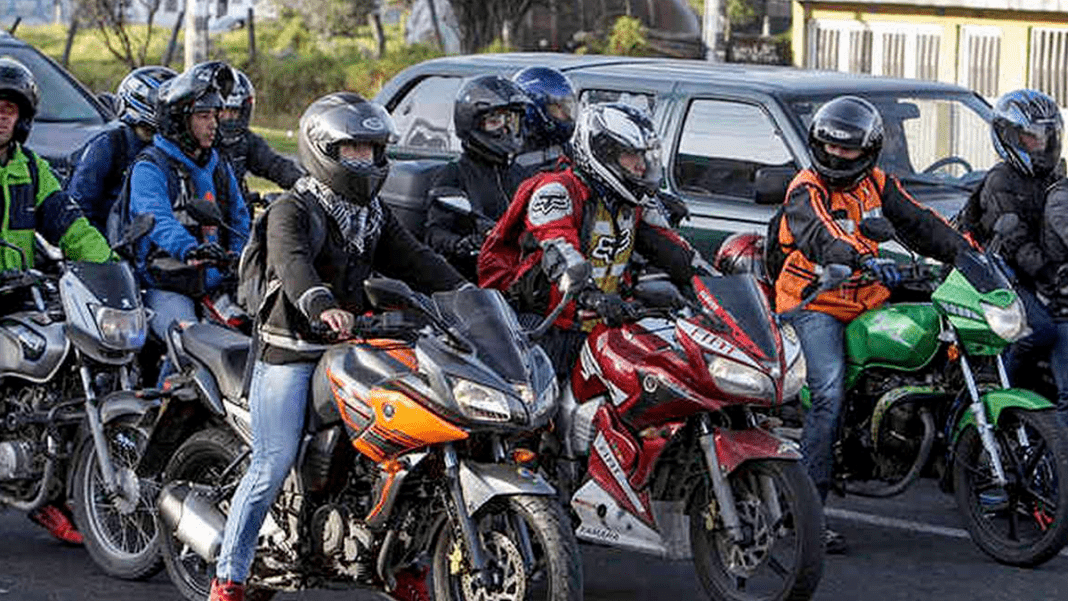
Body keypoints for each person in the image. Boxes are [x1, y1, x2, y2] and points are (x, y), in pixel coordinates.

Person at [210, 92, 465, 601]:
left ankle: (400, 563)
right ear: (323, 150)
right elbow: (293, 264)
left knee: (407, 447)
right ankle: (229, 576)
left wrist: (469, 294)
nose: (363, 161)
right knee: (273, 462)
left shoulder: (372, 214)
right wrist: (321, 303)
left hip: (350, 347)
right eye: (352, 150)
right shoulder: (291, 208)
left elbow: (416, 260)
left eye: (371, 150)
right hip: (291, 351)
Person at [771, 95, 972, 554]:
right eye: (831, 147)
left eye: (849, 149)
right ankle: (806, 517)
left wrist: (968, 252)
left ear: (869, 151)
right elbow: (820, 233)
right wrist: (859, 257)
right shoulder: (805, 188)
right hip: (814, 303)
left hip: (866, 300)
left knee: (933, 343)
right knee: (828, 393)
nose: (838, 156)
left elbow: (920, 223)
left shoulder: (878, 183)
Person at [479, 102, 711, 377]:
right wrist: (591, 295)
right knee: (544, 400)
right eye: (631, 155)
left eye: (644, 155)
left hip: (604, 325)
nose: (641, 166)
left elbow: (675, 252)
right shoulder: (556, 190)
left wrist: (717, 283)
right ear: (603, 154)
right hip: (546, 326)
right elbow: (558, 248)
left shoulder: (634, 201)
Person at [0, 57, 113, 544]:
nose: (1, 116)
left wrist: (108, 266)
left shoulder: (30, 167)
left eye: (9, 109)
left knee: (64, 375)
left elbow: (70, 225)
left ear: (22, 119)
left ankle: (48, 489)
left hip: (18, 291)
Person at [127, 61, 250, 381]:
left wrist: (241, 255)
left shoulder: (217, 164)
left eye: (215, 115)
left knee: (251, 338)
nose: (214, 125)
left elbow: (239, 217)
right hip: (164, 286)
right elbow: (157, 219)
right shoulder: (150, 167)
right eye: (203, 116)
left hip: (216, 285)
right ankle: (163, 403)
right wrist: (190, 249)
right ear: (180, 120)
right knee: (188, 343)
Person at [959, 89, 1064, 398]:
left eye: (1046, 136)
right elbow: (1015, 242)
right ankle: (1000, 387)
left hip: (1038, 272)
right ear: (1009, 137)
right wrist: (1050, 272)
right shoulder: (1001, 180)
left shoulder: (1054, 175)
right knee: (1038, 329)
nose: (1041, 144)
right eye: (1032, 137)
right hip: (1003, 273)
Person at [423, 74, 530, 278]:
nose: (506, 129)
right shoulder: (454, 173)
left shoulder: (519, 173)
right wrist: (462, 244)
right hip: (475, 279)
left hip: (519, 272)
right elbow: (434, 234)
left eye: (511, 120)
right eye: (495, 121)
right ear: (472, 123)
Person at [66, 65, 177, 231]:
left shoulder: (172, 145)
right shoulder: (108, 145)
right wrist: (103, 244)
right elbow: (79, 207)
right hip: (109, 240)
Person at [216, 67, 304, 207]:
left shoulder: (246, 141)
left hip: (237, 213)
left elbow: (275, 165)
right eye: (222, 111)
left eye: (233, 111)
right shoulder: (199, 143)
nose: (227, 118)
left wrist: (304, 184)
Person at [512, 66, 577, 173]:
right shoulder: (515, 162)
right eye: (557, 108)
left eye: (567, 107)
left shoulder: (566, 149)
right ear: (536, 111)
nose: (566, 115)